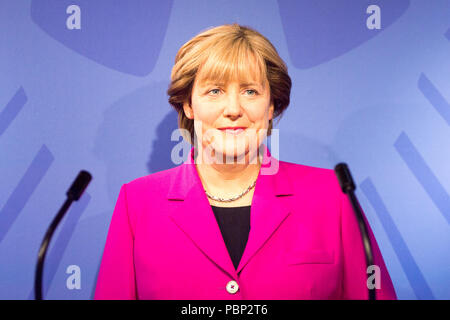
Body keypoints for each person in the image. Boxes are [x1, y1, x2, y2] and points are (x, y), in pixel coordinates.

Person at [94, 24, 397, 300]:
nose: (233, 109)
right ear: (188, 104)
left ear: (271, 104)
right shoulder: (137, 202)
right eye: (215, 91)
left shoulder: (332, 195)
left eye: (250, 91)